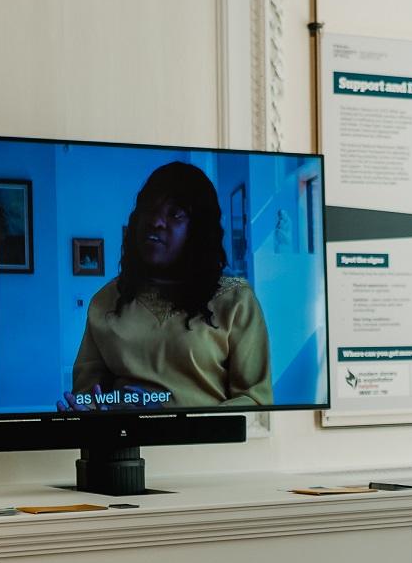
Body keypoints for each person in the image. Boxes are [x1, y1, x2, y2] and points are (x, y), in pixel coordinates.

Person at [70, 162, 272, 410]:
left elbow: (256, 401)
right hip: (126, 444)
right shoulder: (105, 300)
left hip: (207, 446)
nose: (156, 222)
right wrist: (92, 411)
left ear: (198, 230)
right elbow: (88, 396)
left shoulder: (236, 299)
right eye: (149, 210)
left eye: (174, 214)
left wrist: (170, 420)